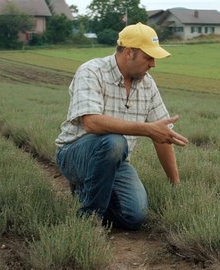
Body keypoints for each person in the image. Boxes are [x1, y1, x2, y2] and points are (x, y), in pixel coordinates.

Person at [54, 22, 189, 230]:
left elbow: (162, 135)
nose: (153, 64)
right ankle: (89, 219)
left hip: (116, 160)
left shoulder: (147, 84)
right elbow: (91, 122)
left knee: (135, 215)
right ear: (129, 53)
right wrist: (147, 129)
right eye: (149, 57)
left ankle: (87, 191)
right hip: (75, 154)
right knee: (114, 141)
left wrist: (176, 185)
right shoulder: (91, 71)